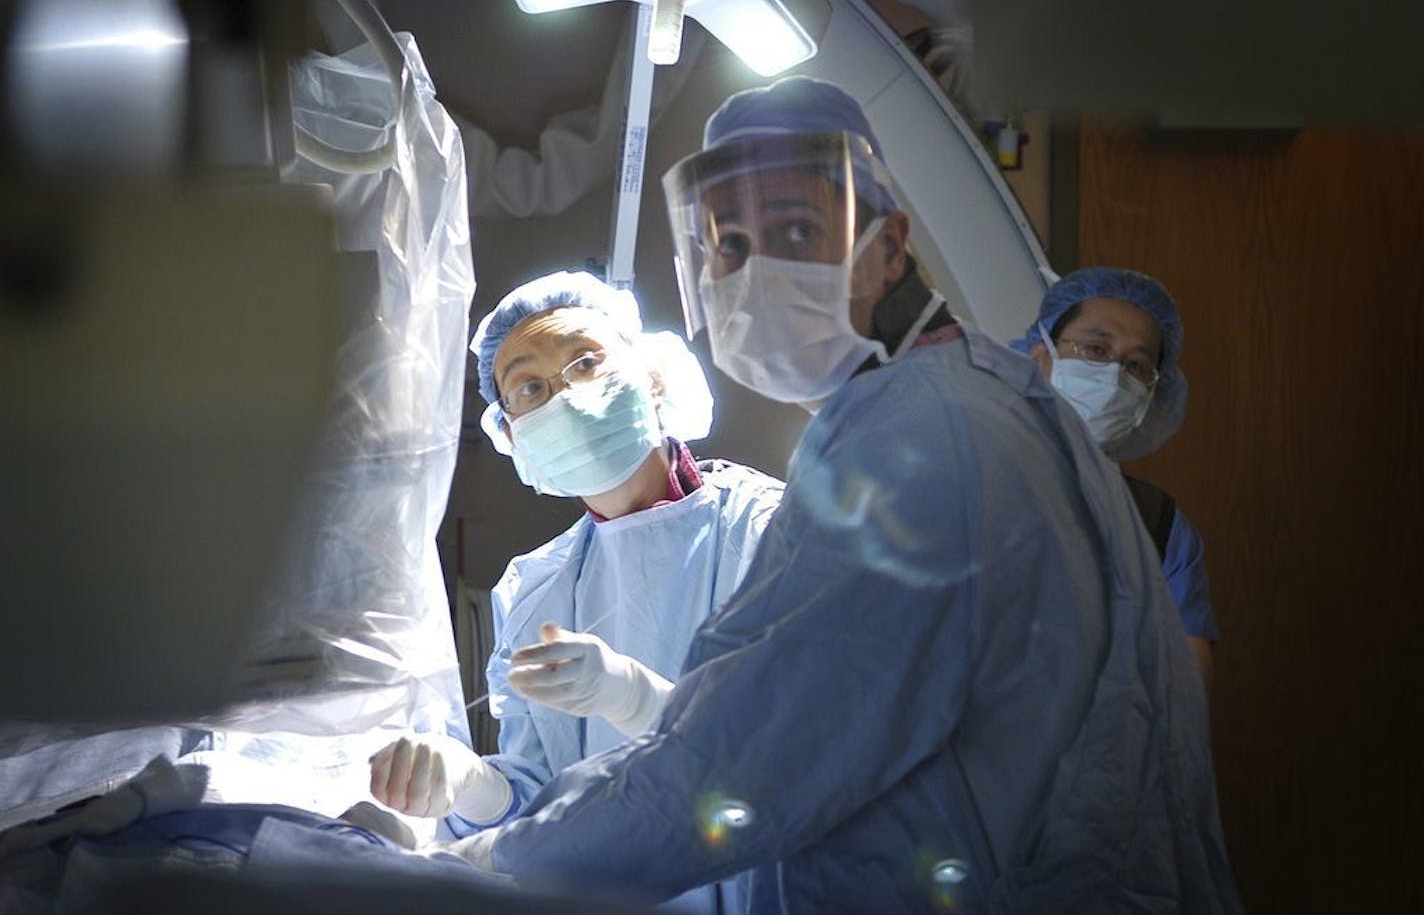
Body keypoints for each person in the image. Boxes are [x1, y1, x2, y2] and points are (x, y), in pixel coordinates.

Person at [440, 77, 1239, 912]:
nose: (757, 276)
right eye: (730, 246)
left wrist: (490, 862)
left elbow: (736, 762)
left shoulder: (917, 444)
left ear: (888, 247)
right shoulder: (961, 397)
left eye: (796, 229)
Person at [367, 270, 783, 910]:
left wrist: (635, 697)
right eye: (529, 387)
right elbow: (543, 800)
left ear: (652, 377)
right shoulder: (536, 589)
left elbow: (803, 756)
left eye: (586, 362)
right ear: (511, 434)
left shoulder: (771, 532)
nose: (563, 397)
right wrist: (467, 783)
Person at [1011, 267, 1219, 688]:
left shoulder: (1158, 526)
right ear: (1039, 357)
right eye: (1095, 349)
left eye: (1137, 365)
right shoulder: (960, 480)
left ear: (1151, 396)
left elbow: (1186, 685)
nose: (1113, 377)